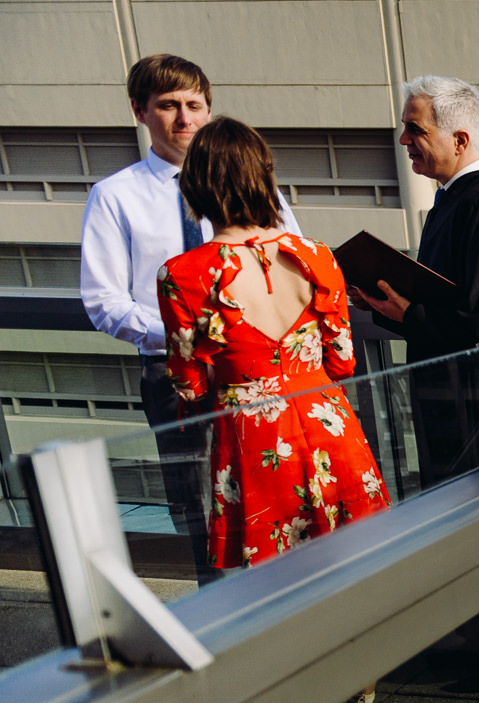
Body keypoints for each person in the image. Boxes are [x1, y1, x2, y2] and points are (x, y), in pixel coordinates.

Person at [158, 117, 390, 703]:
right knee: (351, 577)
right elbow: (343, 359)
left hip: (252, 443)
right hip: (330, 428)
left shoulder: (185, 275)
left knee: (277, 591)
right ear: (266, 178)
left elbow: (187, 384)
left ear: (198, 187)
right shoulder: (317, 258)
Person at [79, 54, 299, 580]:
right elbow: (103, 301)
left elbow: (292, 260)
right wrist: (191, 340)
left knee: (277, 499)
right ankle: (222, 627)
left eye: (194, 105)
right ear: (139, 111)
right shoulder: (114, 196)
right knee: (201, 516)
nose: (185, 119)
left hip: (260, 372)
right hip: (176, 377)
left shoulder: (254, 185)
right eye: (168, 106)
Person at [351, 75, 479, 487]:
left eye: (416, 129)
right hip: (459, 411)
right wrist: (386, 304)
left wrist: (409, 315)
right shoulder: (453, 204)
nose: (403, 140)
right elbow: (451, 303)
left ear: (460, 141)